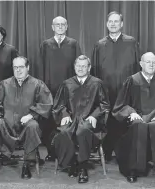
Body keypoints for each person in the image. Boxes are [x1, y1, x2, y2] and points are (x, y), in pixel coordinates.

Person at [0, 56, 53, 180]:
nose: (18, 70)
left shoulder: (38, 84)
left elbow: (46, 104)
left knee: (33, 125)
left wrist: (32, 115)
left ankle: (27, 164)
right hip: (7, 125)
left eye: (21, 67)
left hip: (27, 126)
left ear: (28, 68)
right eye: (15, 67)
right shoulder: (4, 84)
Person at [113, 52, 155, 183]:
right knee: (138, 125)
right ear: (141, 64)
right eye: (148, 62)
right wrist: (131, 112)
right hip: (137, 118)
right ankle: (133, 170)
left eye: (154, 62)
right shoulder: (132, 80)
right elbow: (120, 105)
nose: (151, 65)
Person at [52, 55, 110, 183]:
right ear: (74, 67)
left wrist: (94, 116)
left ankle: (82, 166)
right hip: (72, 120)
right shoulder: (67, 84)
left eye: (84, 66)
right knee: (64, 132)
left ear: (89, 68)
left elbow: (104, 104)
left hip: (89, 120)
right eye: (78, 65)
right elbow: (59, 105)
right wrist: (65, 115)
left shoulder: (97, 83)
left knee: (82, 131)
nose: (80, 68)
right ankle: (71, 162)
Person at [91, 11, 140, 160]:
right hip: (106, 90)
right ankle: (106, 150)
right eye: (110, 21)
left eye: (116, 21)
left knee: (125, 119)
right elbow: (94, 70)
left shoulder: (131, 42)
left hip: (126, 90)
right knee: (108, 120)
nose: (113, 24)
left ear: (122, 24)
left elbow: (138, 67)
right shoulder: (99, 45)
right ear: (106, 24)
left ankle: (124, 153)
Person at [39, 16, 82, 161]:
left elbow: (79, 67)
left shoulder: (73, 44)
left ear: (67, 26)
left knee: (66, 119)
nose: (60, 26)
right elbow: (41, 67)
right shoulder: (46, 44)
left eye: (63, 24)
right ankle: (52, 151)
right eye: (57, 24)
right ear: (52, 27)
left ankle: (69, 149)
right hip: (50, 88)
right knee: (50, 120)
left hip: (69, 90)